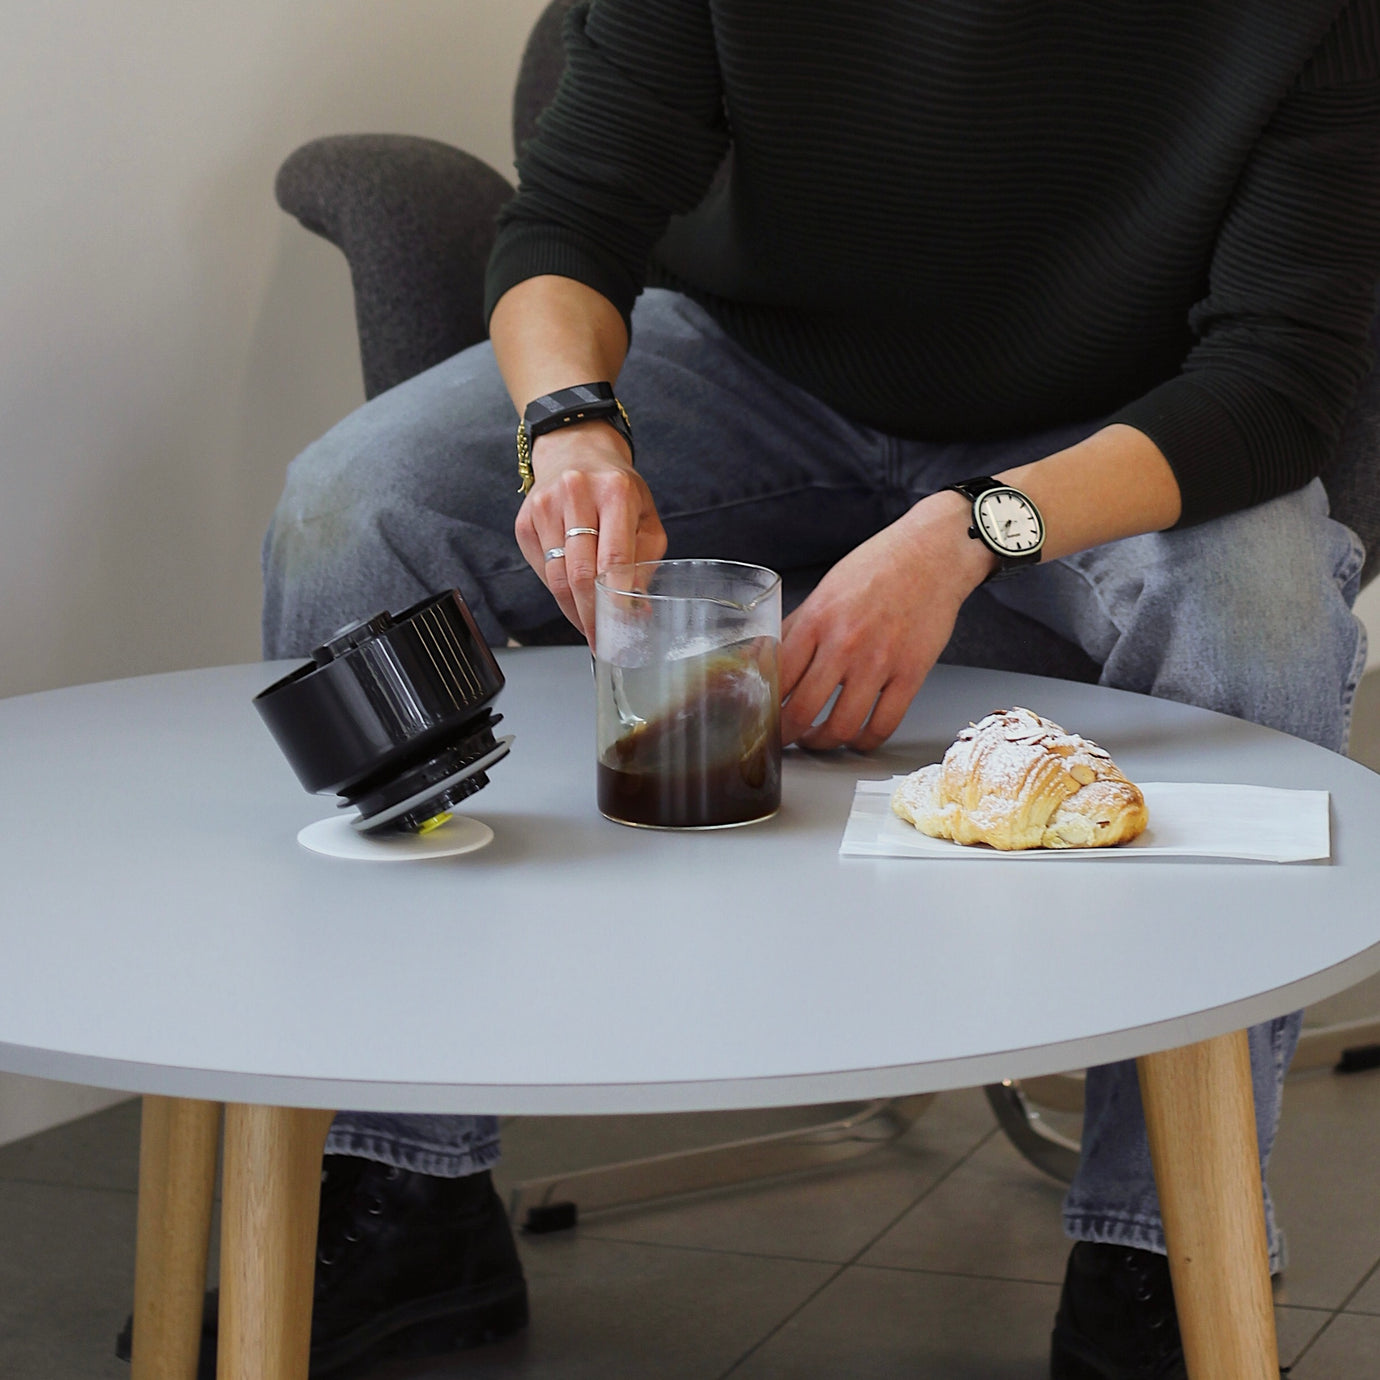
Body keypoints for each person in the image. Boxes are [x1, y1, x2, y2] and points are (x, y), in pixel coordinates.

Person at [218, 2, 1380, 1377]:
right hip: (748, 368)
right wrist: (570, 427)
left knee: (1262, 616)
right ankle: (402, 1186)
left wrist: (963, 533)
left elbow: (1278, 381)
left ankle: (1161, 1250)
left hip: (1111, 427)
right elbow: (573, 214)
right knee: (356, 511)